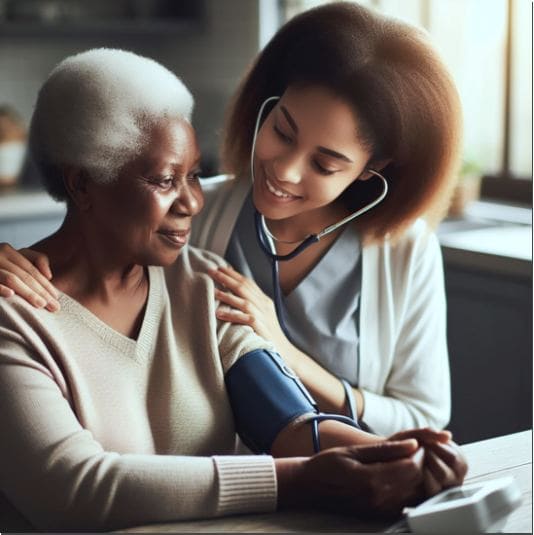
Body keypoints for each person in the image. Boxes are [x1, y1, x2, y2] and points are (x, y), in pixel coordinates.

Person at [0, 49, 466, 532]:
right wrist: (299, 482)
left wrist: (402, 456)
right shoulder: (13, 316)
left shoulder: (204, 283)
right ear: (82, 183)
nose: (192, 203)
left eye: (195, 175)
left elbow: (289, 422)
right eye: (164, 180)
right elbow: (74, 488)